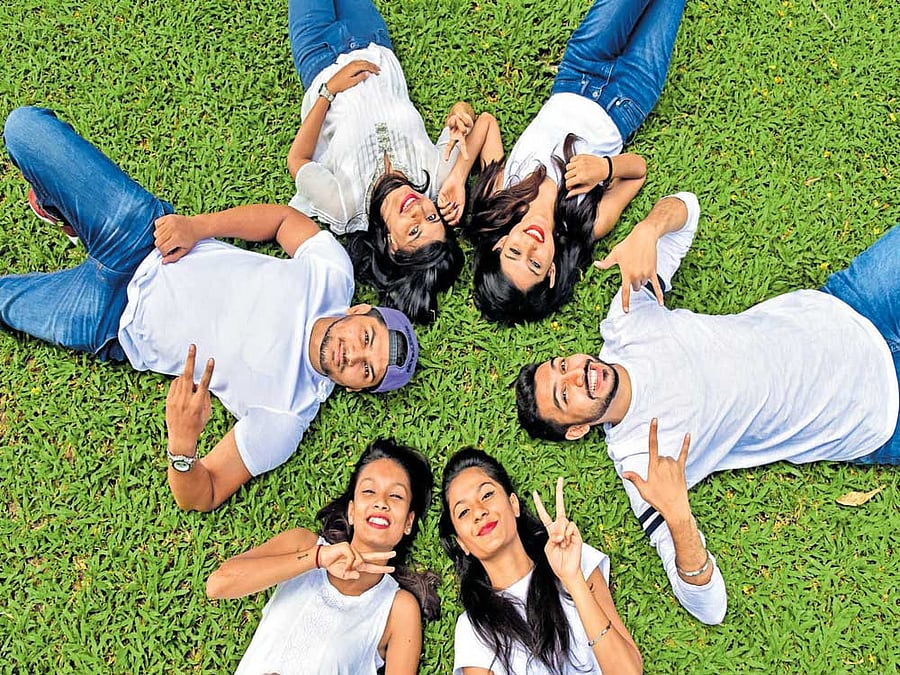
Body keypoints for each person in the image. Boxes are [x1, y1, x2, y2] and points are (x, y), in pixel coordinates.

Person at [0, 106, 420, 512]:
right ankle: (71, 216)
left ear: (354, 388)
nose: (353, 355)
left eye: (366, 370)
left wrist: (182, 446)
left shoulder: (286, 418)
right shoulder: (333, 274)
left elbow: (203, 494)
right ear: (359, 310)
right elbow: (281, 222)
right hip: (146, 237)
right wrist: (197, 227)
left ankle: (74, 219)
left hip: (110, 321)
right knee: (23, 128)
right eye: (367, 338)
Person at [515, 191, 900, 624]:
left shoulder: (625, 320)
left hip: (850, 305)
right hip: (875, 409)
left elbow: (687, 209)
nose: (575, 376)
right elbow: (710, 609)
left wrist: (650, 229)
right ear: (577, 430)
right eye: (564, 396)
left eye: (562, 366)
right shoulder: (640, 464)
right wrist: (678, 516)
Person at [463, 0, 687, 324]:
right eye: (535, 264)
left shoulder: (502, 192)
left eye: (515, 252)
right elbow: (638, 172)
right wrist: (605, 168)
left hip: (578, 69)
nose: (531, 245)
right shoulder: (587, 224)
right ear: (552, 271)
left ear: (500, 243)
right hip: (631, 96)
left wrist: (457, 177)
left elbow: (487, 123)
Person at [287, 0, 502, 323]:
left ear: (391, 246)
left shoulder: (344, 205)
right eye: (431, 220)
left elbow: (298, 159)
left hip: (319, 55)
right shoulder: (431, 177)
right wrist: (461, 119)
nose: (419, 211)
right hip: (372, 39)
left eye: (414, 231)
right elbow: (481, 121)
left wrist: (329, 91)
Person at [207, 438, 439, 674]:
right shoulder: (302, 544)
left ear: (408, 522)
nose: (381, 502)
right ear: (351, 510)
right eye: (369, 491)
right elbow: (218, 584)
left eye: (396, 496)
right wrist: (317, 558)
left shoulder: (398, 609)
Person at [439, 447, 643, 674]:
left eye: (487, 495)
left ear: (513, 504)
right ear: (462, 543)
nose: (479, 512)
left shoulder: (573, 558)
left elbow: (629, 671)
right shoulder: (473, 628)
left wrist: (573, 579)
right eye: (464, 512)